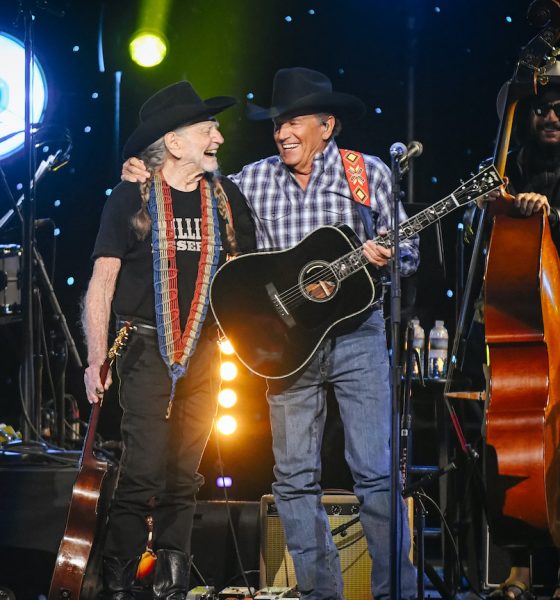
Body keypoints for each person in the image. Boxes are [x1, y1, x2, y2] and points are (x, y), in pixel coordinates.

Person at [123, 67, 419, 600]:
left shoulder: (367, 173)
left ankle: (394, 591)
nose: (282, 131)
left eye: (294, 121)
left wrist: (388, 254)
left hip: (357, 336)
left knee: (375, 475)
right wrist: (143, 173)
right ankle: (319, 593)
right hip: (287, 346)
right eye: (278, 122)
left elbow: (409, 249)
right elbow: (190, 189)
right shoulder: (253, 180)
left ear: (327, 126)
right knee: (293, 478)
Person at [82, 81, 255, 599]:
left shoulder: (225, 198)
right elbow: (103, 282)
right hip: (141, 347)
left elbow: (245, 276)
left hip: (204, 349)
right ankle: (119, 584)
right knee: (141, 470)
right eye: (209, 129)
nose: (219, 137)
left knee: (185, 472)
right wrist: (95, 358)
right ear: (175, 143)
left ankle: (172, 587)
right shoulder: (129, 194)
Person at [475, 82, 560, 600]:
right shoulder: (512, 167)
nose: (550, 116)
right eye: (542, 108)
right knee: (515, 444)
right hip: (527, 331)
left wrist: (552, 213)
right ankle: (521, 567)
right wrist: (496, 206)